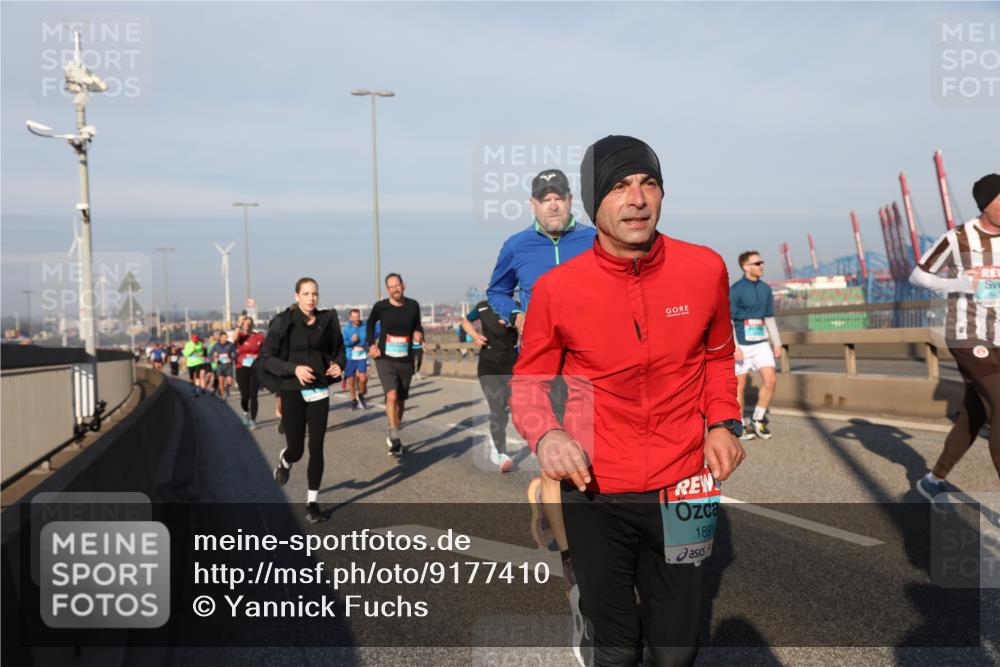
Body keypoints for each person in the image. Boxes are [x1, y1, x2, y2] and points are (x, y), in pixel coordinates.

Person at [510, 135, 745, 665]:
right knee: (617, 650)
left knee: (677, 651)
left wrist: (724, 423)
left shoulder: (704, 268)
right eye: (618, 187)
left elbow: (717, 357)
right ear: (595, 204)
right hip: (597, 488)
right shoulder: (557, 289)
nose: (636, 199)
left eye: (648, 184)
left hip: (684, 483)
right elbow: (528, 382)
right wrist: (546, 434)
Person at [486, 168, 596, 598]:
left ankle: (556, 504)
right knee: (556, 450)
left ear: (571, 201)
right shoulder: (516, 246)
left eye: (559, 196)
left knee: (592, 452)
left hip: (591, 363)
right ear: (533, 205)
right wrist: (515, 314)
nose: (552, 203)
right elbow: (497, 290)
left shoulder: (592, 240)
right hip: (541, 364)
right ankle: (571, 559)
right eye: (544, 197)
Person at [910, 172, 1000, 498]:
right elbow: (918, 275)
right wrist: (958, 284)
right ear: (986, 204)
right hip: (969, 334)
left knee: (974, 413)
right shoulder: (959, 238)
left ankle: (933, 480)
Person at [258, 277, 345, 524]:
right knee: (297, 449)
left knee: (316, 447)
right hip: (292, 389)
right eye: (306, 294)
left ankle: (312, 503)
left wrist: (339, 365)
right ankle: (286, 460)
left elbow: (339, 349)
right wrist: (293, 369)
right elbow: (265, 358)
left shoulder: (327, 321)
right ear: (297, 296)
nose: (311, 298)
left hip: (318, 389)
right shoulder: (284, 323)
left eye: (314, 294)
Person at [367, 273, 424, 457]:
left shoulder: (413, 305)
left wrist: (418, 333)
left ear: (403, 285)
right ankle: (394, 434)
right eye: (391, 287)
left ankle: (394, 428)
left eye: (397, 285)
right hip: (385, 358)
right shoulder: (380, 307)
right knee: (391, 396)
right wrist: (371, 345)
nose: (395, 289)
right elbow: (369, 324)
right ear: (388, 290)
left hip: (406, 359)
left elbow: (418, 325)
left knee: (400, 400)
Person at [730, 250, 784, 440]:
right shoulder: (735, 290)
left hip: (761, 343)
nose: (762, 266)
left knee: (771, 379)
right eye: (757, 263)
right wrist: (734, 347)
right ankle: (740, 423)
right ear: (746, 267)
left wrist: (777, 343)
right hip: (741, 344)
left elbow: (769, 318)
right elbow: (728, 320)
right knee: (740, 385)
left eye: (762, 262)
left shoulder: (766, 289)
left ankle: (758, 419)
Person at [461, 300, 518, 472]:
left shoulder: (515, 305)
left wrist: (514, 324)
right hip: (488, 364)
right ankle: (502, 453)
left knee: (506, 407)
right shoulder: (482, 306)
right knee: (497, 408)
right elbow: (465, 321)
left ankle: (495, 441)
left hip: (511, 362)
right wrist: (475, 336)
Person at [235, 316, 265, 429]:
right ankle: (245, 413)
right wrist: (238, 324)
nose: (247, 326)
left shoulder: (259, 337)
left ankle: (253, 420)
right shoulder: (241, 336)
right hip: (241, 368)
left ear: (253, 325)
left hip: (255, 368)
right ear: (242, 325)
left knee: (254, 395)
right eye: (245, 324)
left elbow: (264, 352)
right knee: (245, 395)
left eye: (249, 324)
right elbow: (234, 339)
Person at [342, 308, 370, 410]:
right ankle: (353, 400)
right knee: (351, 379)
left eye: (358, 316)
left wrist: (369, 345)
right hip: (351, 356)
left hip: (362, 355)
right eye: (354, 317)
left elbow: (373, 335)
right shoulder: (346, 329)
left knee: (363, 378)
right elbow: (344, 343)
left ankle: (361, 395)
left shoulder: (365, 326)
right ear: (350, 318)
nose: (356, 319)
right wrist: (351, 341)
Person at [212, 331, 237, 401]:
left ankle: (227, 388)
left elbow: (235, 353)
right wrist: (214, 358)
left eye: (226, 337)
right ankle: (223, 396)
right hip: (220, 366)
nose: (226, 339)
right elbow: (211, 354)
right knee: (221, 381)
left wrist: (232, 357)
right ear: (220, 338)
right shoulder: (216, 345)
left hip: (228, 365)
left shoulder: (231, 345)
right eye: (224, 337)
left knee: (230, 381)